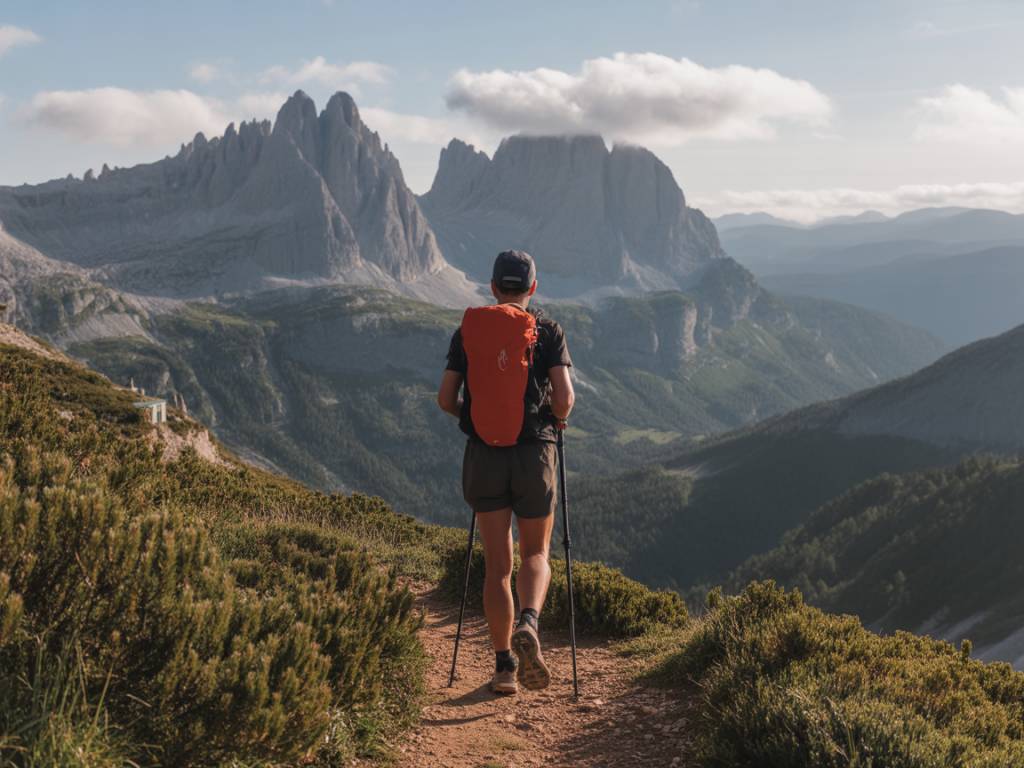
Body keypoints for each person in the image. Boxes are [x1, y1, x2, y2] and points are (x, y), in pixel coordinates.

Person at [437, 250, 575, 695]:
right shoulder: (547, 331)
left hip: (484, 456)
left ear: (493, 287)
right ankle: (531, 623)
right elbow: (565, 398)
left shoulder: (468, 331)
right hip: (534, 454)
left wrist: (470, 419)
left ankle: (503, 668)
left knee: (498, 565)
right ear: (532, 289)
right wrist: (554, 418)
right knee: (535, 554)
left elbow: (445, 398)